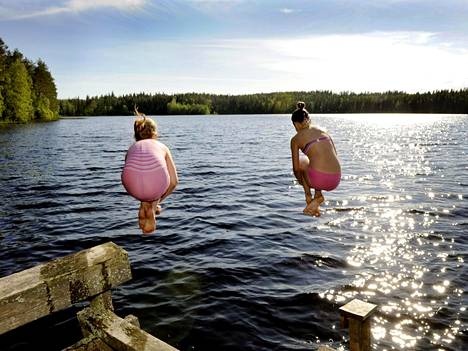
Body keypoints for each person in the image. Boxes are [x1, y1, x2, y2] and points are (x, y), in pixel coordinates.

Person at [121, 107, 178, 234]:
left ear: (136, 134)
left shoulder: (131, 148)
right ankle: (152, 207)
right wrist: (159, 200)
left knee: (143, 174)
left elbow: (136, 173)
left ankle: (145, 204)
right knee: (156, 178)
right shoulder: (162, 147)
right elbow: (174, 182)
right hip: (153, 188)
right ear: (155, 133)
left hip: (132, 188)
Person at [290, 102, 341, 217]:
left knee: (302, 163)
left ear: (296, 124)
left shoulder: (296, 139)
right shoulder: (323, 131)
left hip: (319, 179)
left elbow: (296, 168)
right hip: (336, 179)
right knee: (315, 162)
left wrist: (302, 183)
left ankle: (309, 196)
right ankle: (317, 197)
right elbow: (335, 155)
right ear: (309, 119)